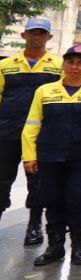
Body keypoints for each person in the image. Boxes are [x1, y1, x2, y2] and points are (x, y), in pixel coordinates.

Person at [22, 44, 81, 265]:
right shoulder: (45, 91)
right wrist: (29, 156)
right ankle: (55, 247)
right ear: (63, 64)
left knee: (79, 199)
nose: (74, 67)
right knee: (53, 200)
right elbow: (31, 125)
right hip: (50, 156)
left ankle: (79, 247)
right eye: (70, 62)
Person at [0, 17, 61, 246]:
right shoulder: (5, 65)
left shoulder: (57, 66)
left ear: (49, 37)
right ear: (23, 35)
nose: (37, 37)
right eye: (33, 33)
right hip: (7, 132)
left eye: (42, 33)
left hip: (40, 135)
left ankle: (34, 225)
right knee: (1, 179)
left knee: (37, 182)